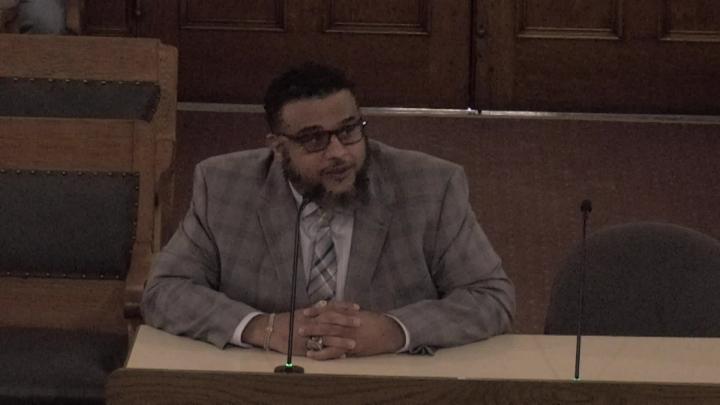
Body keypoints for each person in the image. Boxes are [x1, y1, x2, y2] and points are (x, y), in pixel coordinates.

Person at [141, 63, 515, 360]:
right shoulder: (224, 185)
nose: (339, 153)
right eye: (314, 139)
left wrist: (395, 330)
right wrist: (262, 328)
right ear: (278, 148)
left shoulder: (430, 186)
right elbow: (164, 290)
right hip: (263, 383)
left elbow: (490, 296)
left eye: (349, 130)